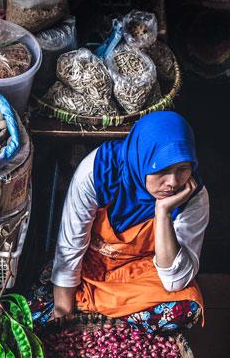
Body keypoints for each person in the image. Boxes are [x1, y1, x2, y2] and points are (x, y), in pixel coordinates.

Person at [31, 111, 209, 333]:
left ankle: (99, 318)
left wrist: (163, 212)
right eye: (161, 170)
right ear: (142, 159)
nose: (172, 183)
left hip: (141, 275)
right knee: (38, 308)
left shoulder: (193, 197)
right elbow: (71, 246)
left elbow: (174, 282)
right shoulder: (99, 171)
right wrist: (63, 311)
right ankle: (119, 323)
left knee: (184, 310)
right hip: (92, 267)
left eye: (182, 169)